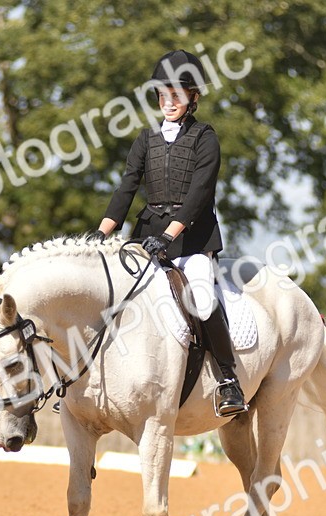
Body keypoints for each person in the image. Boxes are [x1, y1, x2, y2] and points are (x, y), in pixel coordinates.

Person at [97, 50, 248, 417]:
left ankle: (228, 379)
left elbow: (199, 196)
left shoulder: (205, 139)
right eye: (163, 96)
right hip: (146, 235)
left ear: (192, 98)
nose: (169, 103)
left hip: (191, 240)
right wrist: (100, 235)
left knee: (199, 294)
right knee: (108, 291)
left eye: (176, 96)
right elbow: (126, 189)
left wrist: (169, 235)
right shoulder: (145, 139)